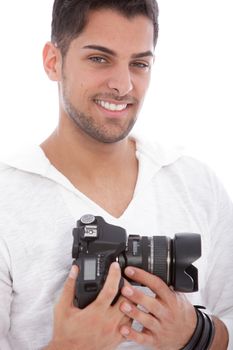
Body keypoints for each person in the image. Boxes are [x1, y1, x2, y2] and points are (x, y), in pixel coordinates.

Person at [0, 0, 232, 349]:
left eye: (139, 63)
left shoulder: (196, 184)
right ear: (53, 61)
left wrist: (198, 334)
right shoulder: (7, 199)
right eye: (99, 59)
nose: (123, 85)